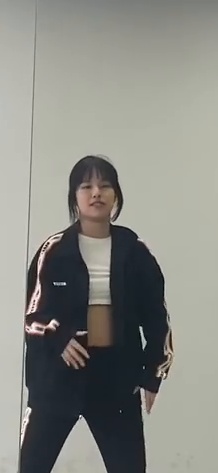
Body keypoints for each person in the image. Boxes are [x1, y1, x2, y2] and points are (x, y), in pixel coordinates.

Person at [19, 155, 174, 473]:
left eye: (105, 186)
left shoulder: (135, 250)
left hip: (115, 377)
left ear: (116, 195)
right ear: (74, 196)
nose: (96, 193)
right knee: (32, 465)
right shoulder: (54, 250)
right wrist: (60, 337)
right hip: (57, 377)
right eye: (86, 186)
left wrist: (153, 374)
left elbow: (158, 318)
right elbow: (31, 314)